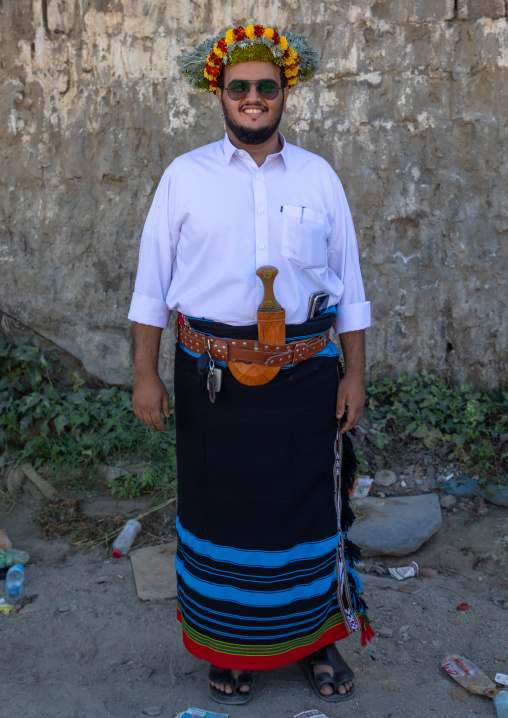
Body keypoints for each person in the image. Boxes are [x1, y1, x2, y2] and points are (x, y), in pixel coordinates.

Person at [128, 23, 373, 705]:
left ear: (285, 92)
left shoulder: (320, 177)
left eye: (267, 86)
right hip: (211, 382)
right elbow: (152, 285)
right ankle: (227, 648)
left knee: (309, 511)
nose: (254, 97)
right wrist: (146, 373)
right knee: (221, 513)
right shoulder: (184, 178)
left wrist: (353, 374)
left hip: (305, 377)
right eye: (240, 87)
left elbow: (348, 287)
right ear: (220, 93)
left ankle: (315, 642)